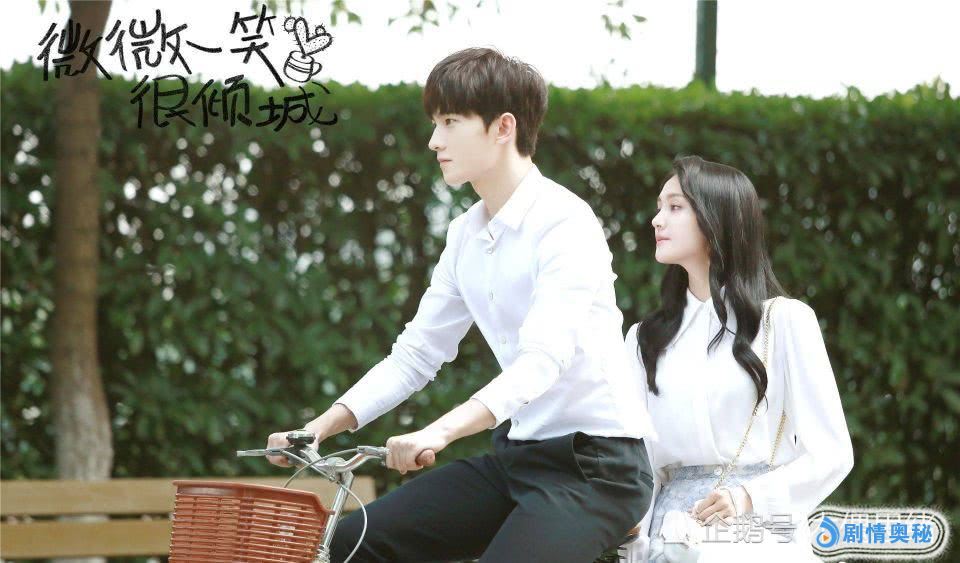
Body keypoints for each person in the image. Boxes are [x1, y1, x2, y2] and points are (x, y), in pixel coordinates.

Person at [266, 47, 656, 562]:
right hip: (518, 459)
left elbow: (542, 361)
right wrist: (317, 428)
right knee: (348, 543)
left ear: (503, 128)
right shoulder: (465, 235)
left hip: (597, 469)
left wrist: (439, 431)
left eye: (450, 122)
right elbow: (415, 355)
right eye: (435, 123)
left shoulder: (565, 223)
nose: (435, 140)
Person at [622, 155, 854, 562]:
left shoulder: (784, 322)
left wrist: (749, 496)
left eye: (675, 207)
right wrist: (634, 546)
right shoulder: (644, 340)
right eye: (659, 207)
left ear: (717, 218)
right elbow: (640, 465)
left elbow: (831, 453)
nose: (657, 220)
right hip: (668, 540)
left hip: (756, 535)